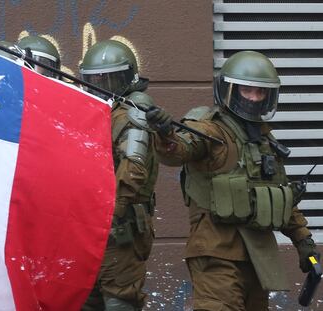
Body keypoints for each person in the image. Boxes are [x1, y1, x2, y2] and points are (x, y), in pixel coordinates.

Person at [145, 50, 320, 310]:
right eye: (247, 90)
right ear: (229, 89)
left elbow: (282, 196)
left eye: (260, 92)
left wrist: (304, 242)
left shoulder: (264, 141)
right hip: (217, 255)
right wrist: (165, 134)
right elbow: (178, 149)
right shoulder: (210, 129)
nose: (254, 98)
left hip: (257, 260)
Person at [79, 40, 159, 311]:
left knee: (119, 301)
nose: (102, 85)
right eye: (95, 79)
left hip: (119, 228)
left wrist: (110, 214)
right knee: (83, 299)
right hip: (87, 228)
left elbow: (133, 169)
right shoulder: (90, 113)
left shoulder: (133, 115)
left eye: (110, 79)